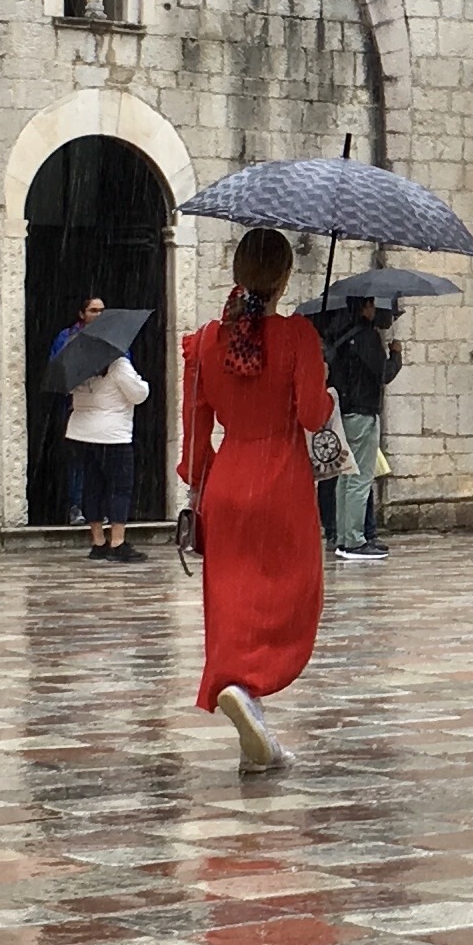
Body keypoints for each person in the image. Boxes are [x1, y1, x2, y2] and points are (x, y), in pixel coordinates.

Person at [182, 228, 333, 772]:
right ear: (286, 277)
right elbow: (314, 415)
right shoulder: (297, 337)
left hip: (228, 481)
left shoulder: (204, 343)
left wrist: (195, 485)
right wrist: (323, 376)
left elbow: (194, 430)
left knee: (231, 600)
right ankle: (250, 689)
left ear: (236, 273)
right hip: (282, 479)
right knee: (289, 594)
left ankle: (248, 709)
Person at [54, 299, 151, 562]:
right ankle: (117, 542)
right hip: (113, 435)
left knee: (92, 486)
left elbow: (71, 393)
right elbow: (138, 394)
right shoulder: (118, 364)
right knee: (120, 488)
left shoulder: (75, 365)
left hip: (80, 433)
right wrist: (142, 381)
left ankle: (97, 541)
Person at [324, 294, 398, 563]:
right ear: (365, 307)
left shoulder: (340, 335)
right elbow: (383, 373)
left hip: (344, 412)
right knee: (359, 478)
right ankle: (354, 540)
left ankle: (344, 536)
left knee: (345, 477)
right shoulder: (367, 337)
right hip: (364, 411)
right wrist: (396, 354)